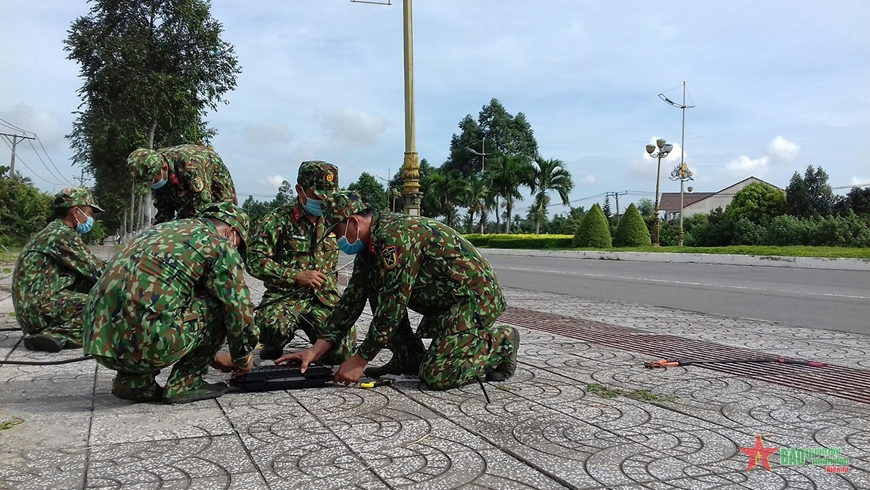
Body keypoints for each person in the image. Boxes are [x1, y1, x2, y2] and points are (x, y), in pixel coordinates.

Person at [277, 191, 520, 390]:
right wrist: (315, 350)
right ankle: (408, 357)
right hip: (445, 301)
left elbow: (391, 309)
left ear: (353, 222)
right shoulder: (369, 246)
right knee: (374, 287)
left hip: (473, 300)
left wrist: (359, 360)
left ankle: (501, 341)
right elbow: (352, 300)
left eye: (337, 233)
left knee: (437, 376)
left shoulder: (396, 237)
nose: (337, 240)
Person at [83, 202, 257, 404]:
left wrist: (213, 357)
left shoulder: (161, 230)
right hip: (148, 345)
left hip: (99, 343)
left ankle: (133, 382)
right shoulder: (220, 244)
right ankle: (187, 383)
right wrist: (242, 358)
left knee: (162, 299)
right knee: (220, 303)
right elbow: (239, 310)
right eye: (239, 246)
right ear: (231, 233)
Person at [246, 161, 357, 364]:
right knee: (272, 328)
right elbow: (254, 260)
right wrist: (295, 276)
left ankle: (317, 348)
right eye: (318, 197)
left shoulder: (335, 219)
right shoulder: (279, 219)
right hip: (286, 296)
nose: (323, 203)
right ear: (299, 190)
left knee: (342, 351)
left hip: (323, 298)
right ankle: (273, 344)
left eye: (328, 197)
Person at [12, 187, 106, 352]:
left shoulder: (54, 231)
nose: (91, 218)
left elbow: (89, 271)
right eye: (90, 213)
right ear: (76, 212)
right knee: (109, 310)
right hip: (39, 311)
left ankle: (48, 332)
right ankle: (55, 334)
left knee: (92, 286)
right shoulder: (62, 235)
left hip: (33, 309)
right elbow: (98, 271)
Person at [126, 144, 238, 224]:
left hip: (216, 194)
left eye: (152, 181)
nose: (151, 185)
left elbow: (201, 208)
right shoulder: (154, 164)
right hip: (190, 200)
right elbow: (164, 210)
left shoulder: (190, 166)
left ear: (164, 168)